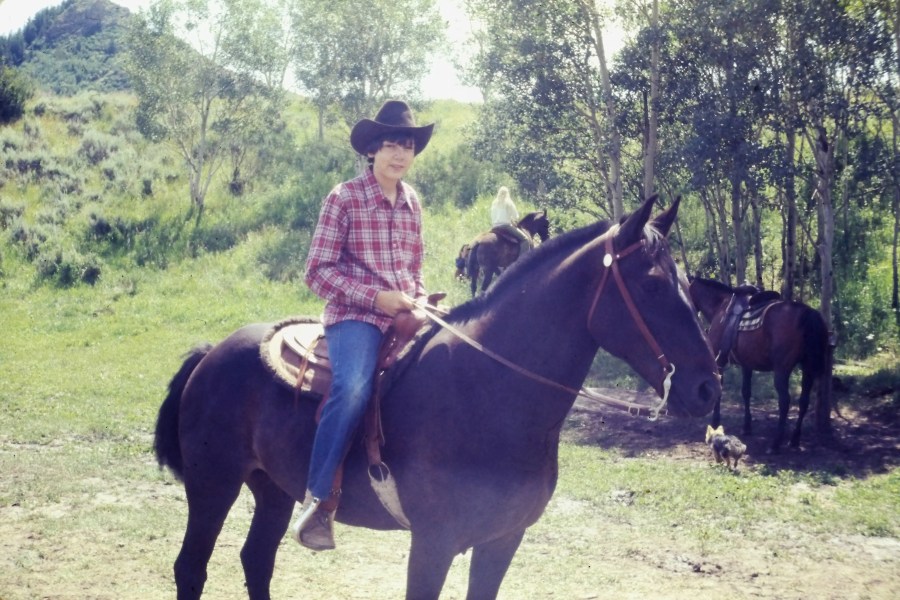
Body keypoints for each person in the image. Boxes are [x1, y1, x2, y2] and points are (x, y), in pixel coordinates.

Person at [290, 100, 434, 550]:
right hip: (356, 317)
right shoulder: (344, 197)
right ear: (372, 150)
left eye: (407, 146)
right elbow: (317, 272)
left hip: (407, 314)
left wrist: (420, 298)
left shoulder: (412, 202)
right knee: (352, 387)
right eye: (391, 144)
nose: (399, 154)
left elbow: (414, 268)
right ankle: (317, 499)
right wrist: (377, 298)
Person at [490, 185, 531, 257]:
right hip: (505, 226)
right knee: (525, 240)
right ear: (507, 193)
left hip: (494, 227)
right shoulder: (508, 202)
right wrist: (514, 221)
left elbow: (492, 216)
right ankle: (521, 261)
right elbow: (516, 216)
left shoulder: (494, 203)